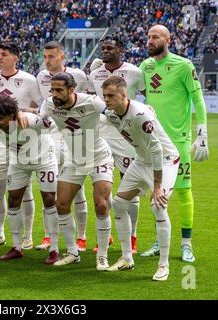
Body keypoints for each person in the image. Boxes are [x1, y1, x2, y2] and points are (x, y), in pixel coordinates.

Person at [140, 25, 209, 263]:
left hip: (178, 142)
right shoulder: (145, 66)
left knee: (182, 191)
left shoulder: (183, 65)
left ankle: (186, 244)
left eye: (155, 36)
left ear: (168, 39)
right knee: (158, 193)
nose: (150, 40)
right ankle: (161, 241)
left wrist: (202, 134)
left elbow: (198, 100)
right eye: (148, 36)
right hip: (152, 141)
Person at [102, 76, 179, 281]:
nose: (107, 100)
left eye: (111, 96)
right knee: (119, 204)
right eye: (105, 96)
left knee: (158, 206)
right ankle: (127, 258)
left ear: (124, 94)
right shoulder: (111, 113)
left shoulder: (139, 115)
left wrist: (156, 186)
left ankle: (164, 265)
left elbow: (157, 149)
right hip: (141, 161)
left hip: (165, 161)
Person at [38, 72, 113, 271]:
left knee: (101, 205)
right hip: (75, 159)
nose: (54, 94)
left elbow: (116, 112)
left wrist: (143, 109)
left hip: (99, 157)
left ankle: (103, 256)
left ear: (72, 90)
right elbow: (39, 122)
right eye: (52, 90)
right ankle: (72, 252)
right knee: (61, 204)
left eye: (59, 90)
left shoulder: (92, 102)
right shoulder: (49, 104)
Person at [0, 96, 59, 264]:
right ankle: (17, 247)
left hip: (44, 160)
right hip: (18, 162)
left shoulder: (31, 122)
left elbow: (54, 123)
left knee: (49, 200)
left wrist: (25, 112)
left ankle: (54, 249)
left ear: (11, 116)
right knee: (13, 199)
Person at [88, 35, 146, 254]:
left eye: (110, 48)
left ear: (120, 49)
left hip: (126, 136)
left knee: (129, 186)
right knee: (102, 185)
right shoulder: (95, 73)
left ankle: (132, 236)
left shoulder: (134, 72)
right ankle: (106, 233)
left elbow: (145, 95)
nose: (105, 51)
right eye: (103, 48)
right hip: (102, 134)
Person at [0, 42, 43, 250]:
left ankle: (27, 236)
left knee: (24, 190)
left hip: (22, 141)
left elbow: (39, 105)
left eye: (4, 54)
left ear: (15, 57)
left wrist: (19, 112)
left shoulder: (28, 79)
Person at [36, 40, 90, 252]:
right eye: (45, 57)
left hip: (74, 137)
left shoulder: (78, 76)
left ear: (62, 56)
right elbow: (39, 106)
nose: (47, 61)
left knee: (76, 189)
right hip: (49, 137)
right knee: (49, 187)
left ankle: (83, 236)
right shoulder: (40, 77)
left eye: (51, 57)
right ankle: (50, 235)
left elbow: (88, 100)